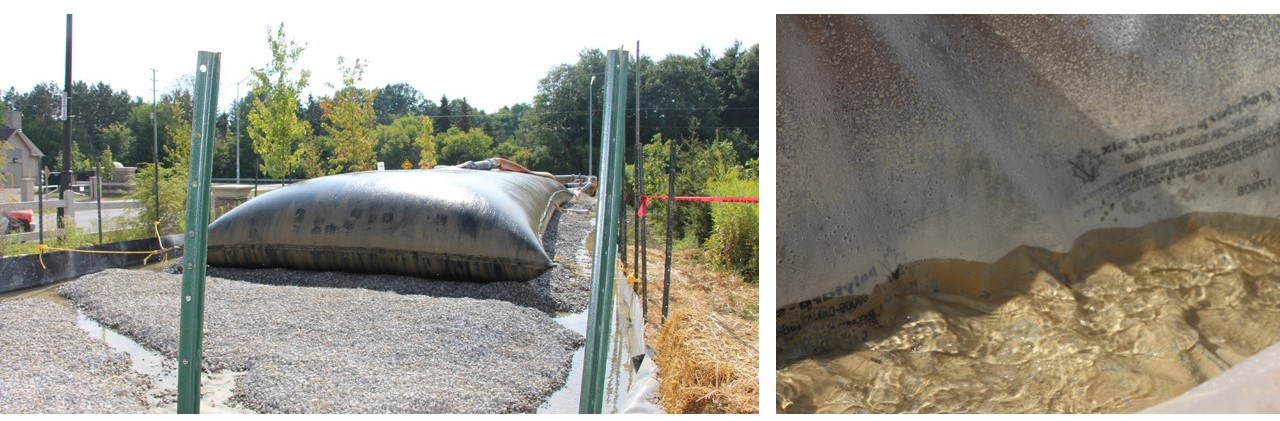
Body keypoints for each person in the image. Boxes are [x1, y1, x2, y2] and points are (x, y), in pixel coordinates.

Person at [444, 157, 554, 179]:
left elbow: (499, 162)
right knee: (497, 161)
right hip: (464, 168)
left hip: (459, 168)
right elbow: (500, 162)